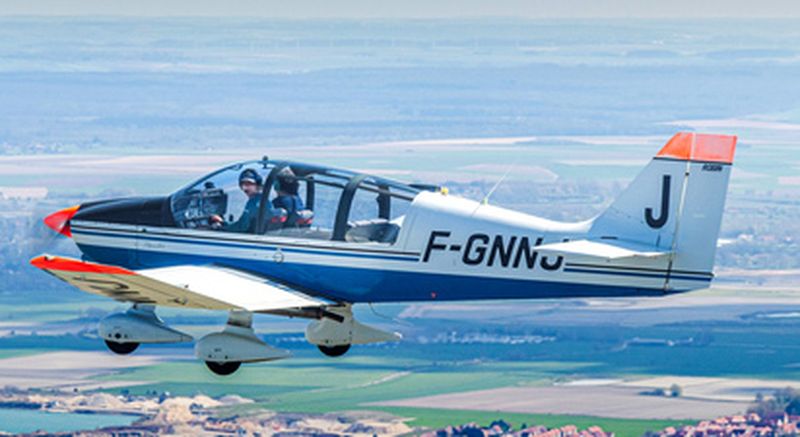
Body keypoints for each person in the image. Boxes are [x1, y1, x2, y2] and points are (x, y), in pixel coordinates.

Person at [210, 168, 262, 233]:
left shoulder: (254, 204)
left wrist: (221, 226)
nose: (245, 188)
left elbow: (241, 227)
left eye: (249, 184)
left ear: (257, 185)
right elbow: (242, 224)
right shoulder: (261, 200)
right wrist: (224, 223)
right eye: (243, 184)